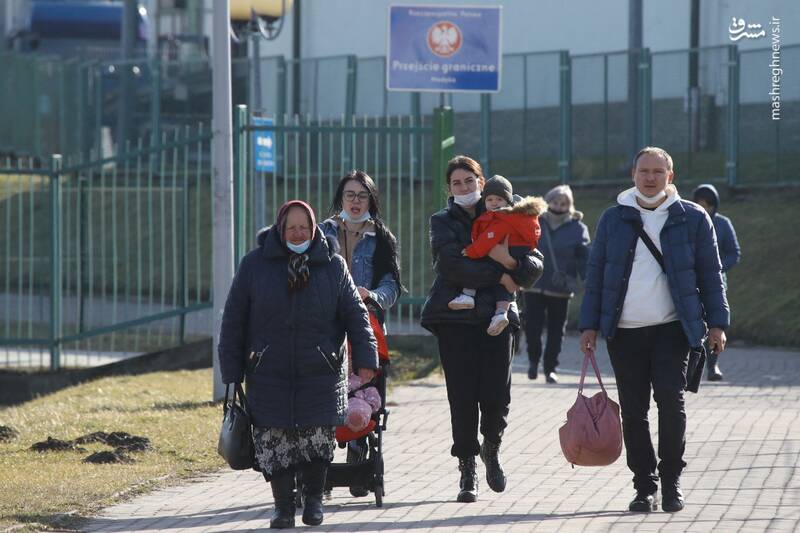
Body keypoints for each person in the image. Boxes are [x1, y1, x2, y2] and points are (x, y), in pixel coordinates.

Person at [578, 147, 729, 514]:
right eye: (643, 171)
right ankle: (644, 486)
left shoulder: (692, 218)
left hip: (672, 329)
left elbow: (712, 274)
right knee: (633, 410)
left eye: (657, 172)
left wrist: (718, 323)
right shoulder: (614, 219)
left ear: (670, 176)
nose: (650, 177)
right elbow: (596, 275)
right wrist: (589, 326)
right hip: (624, 330)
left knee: (671, 402)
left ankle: (672, 480)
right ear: (633, 175)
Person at [218, 200, 378, 529]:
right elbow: (234, 319)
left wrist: (365, 359)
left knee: (316, 439)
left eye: (304, 227)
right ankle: (282, 507)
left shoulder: (333, 265)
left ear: (314, 228)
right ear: (280, 229)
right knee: (275, 443)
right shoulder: (254, 265)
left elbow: (356, 315)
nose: (298, 233)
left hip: (320, 370)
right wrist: (232, 371)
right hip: (268, 371)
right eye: (291, 227)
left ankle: (315, 500)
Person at [420, 155, 544, 503]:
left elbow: (534, 260)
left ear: (482, 180)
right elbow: (449, 264)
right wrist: (504, 274)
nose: (464, 188)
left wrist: (513, 263)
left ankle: (492, 447)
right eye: (457, 183)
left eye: (469, 181)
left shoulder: (510, 210)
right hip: (454, 318)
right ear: (449, 188)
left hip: (498, 318)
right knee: (461, 396)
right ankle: (466, 469)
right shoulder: (442, 221)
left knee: (496, 394)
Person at [320, 170, 402, 497]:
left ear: (371, 200)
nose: (355, 201)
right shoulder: (322, 232)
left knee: (364, 387)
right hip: (326, 328)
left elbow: (393, 284)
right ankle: (318, 461)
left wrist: (374, 295)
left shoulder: (381, 237)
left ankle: (359, 445)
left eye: (362, 195)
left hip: (366, 326)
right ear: (340, 198)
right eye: (350, 195)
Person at [449, 174, 546, 336]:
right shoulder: (517, 217)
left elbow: (489, 238)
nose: (494, 203)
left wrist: (472, 250)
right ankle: (501, 313)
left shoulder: (502, 217)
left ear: (508, 201)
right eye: (490, 200)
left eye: (499, 199)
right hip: (516, 254)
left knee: (479, 262)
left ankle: (468, 295)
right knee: (502, 284)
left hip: (508, 252)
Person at [522, 184, 590, 384]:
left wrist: (587, 279)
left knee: (556, 331)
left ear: (570, 206)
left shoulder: (578, 228)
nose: (559, 206)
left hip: (560, 289)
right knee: (532, 328)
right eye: (555, 202)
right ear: (547, 201)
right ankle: (533, 361)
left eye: (563, 203)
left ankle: (550, 368)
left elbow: (584, 257)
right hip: (533, 284)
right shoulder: (535, 221)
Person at [692, 183, 741, 381]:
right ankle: (691, 368)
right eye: (700, 204)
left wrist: (717, 268)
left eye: (709, 205)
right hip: (691, 282)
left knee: (714, 324)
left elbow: (734, 253)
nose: (705, 209)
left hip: (715, 283)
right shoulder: (688, 222)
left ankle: (712, 366)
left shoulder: (722, 224)